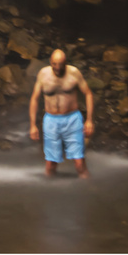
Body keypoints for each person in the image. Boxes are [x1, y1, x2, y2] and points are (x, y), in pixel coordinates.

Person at [28, 47, 95, 178]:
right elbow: (34, 99)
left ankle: (90, 192)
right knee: (50, 165)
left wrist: (89, 120)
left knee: (79, 163)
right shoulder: (43, 74)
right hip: (51, 120)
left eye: (61, 64)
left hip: (72, 119)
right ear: (50, 62)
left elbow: (88, 94)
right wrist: (33, 125)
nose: (58, 68)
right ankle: (49, 193)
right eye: (54, 64)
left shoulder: (74, 73)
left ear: (66, 62)